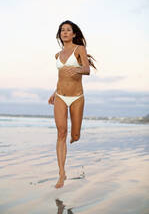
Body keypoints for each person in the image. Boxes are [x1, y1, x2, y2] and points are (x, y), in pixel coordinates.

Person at [48, 20, 97, 188]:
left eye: (68, 30)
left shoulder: (79, 49)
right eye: (62, 30)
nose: (65, 32)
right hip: (61, 96)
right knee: (61, 133)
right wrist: (55, 92)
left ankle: (75, 136)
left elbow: (87, 69)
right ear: (60, 34)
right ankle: (62, 173)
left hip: (77, 97)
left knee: (74, 136)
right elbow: (61, 77)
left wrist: (76, 69)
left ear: (74, 34)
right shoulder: (57, 55)